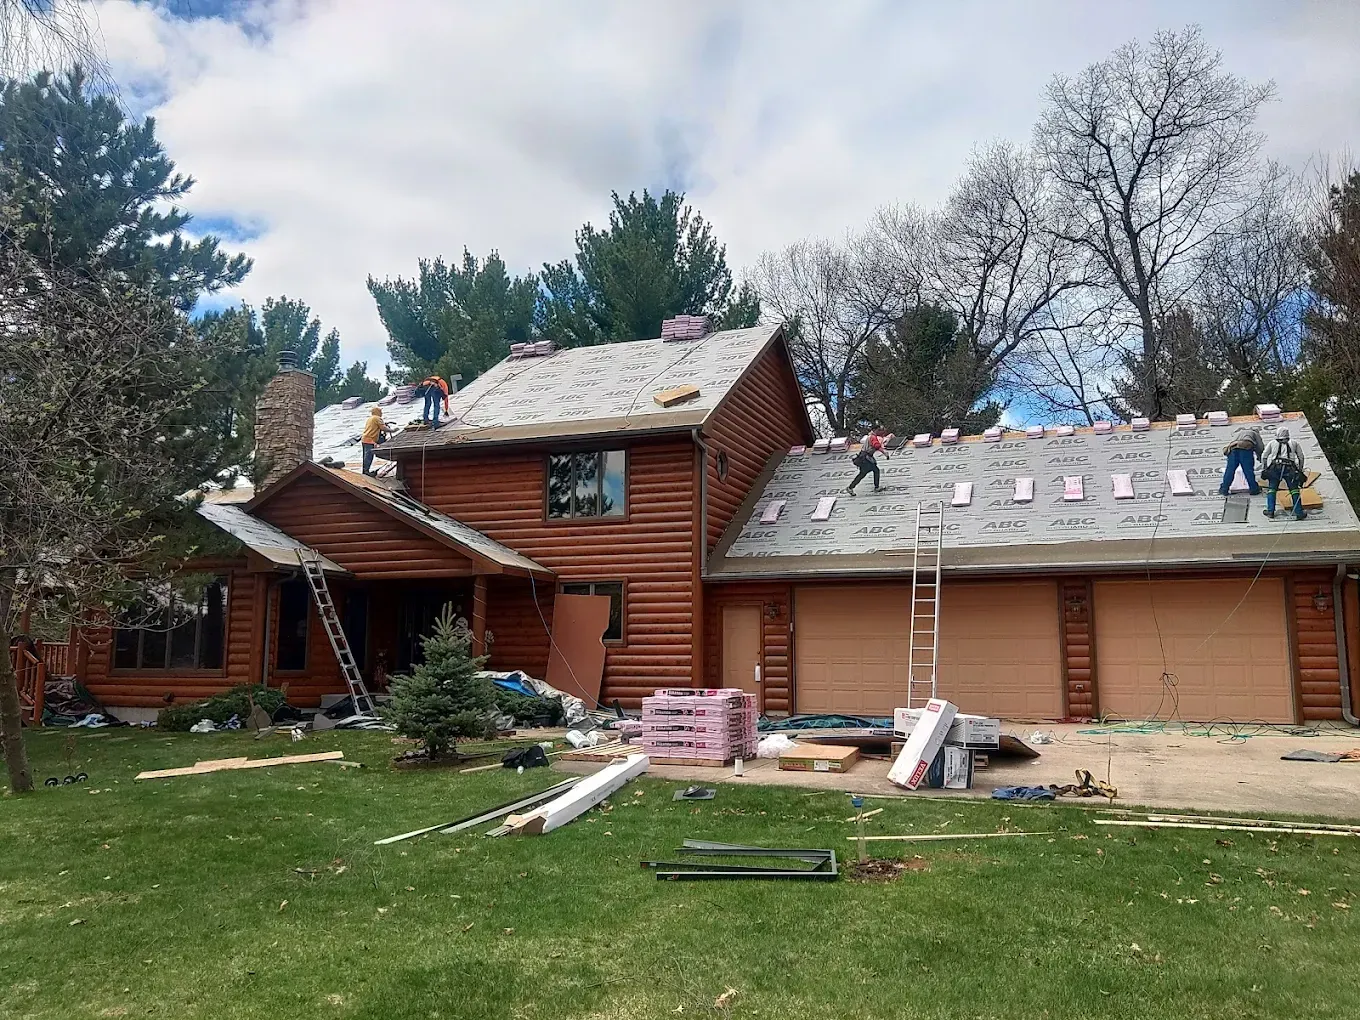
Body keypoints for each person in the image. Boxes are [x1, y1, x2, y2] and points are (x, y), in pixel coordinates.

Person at [1261, 427, 1307, 520]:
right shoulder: (1294, 443)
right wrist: (1300, 470)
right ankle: (1299, 512)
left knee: (1272, 489)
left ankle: (1270, 511)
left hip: (1275, 467)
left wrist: (1265, 468)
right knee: (1294, 490)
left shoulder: (1272, 443)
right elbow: (1301, 457)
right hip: (1290, 468)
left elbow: (1264, 456)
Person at [1219, 426, 1263, 496]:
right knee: (1248, 470)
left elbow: (1231, 443)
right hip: (1245, 448)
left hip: (1233, 449)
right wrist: (1260, 458)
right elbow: (1260, 447)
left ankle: (1224, 489)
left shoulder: (1239, 433)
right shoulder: (1255, 433)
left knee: (1230, 470)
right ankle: (1254, 489)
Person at [847, 427, 891, 495]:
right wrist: (885, 453)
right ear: (875, 430)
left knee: (862, 474)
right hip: (866, 458)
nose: (881, 432)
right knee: (875, 470)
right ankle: (876, 487)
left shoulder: (870, 437)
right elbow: (876, 446)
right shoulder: (873, 437)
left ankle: (850, 487)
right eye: (879, 430)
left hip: (864, 457)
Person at [360, 406, 389, 476]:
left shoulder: (370, 419)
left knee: (366, 456)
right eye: (380, 412)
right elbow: (383, 428)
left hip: (365, 439)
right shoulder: (377, 418)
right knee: (369, 456)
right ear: (377, 412)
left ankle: (365, 470)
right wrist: (392, 430)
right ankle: (366, 471)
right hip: (369, 440)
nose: (381, 413)